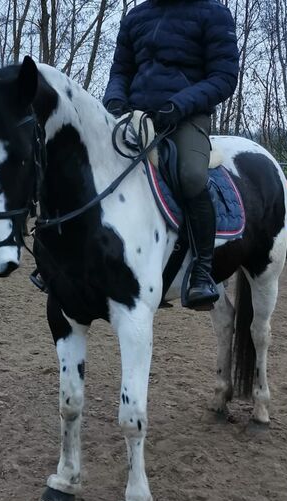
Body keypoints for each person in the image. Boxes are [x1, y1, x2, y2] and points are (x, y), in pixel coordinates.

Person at [103, 0, 239, 310]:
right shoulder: (136, 16)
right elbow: (121, 71)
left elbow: (224, 77)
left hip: (186, 117)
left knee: (191, 175)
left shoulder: (213, 13)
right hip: (134, 115)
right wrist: (114, 101)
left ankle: (203, 271)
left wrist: (179, 104)